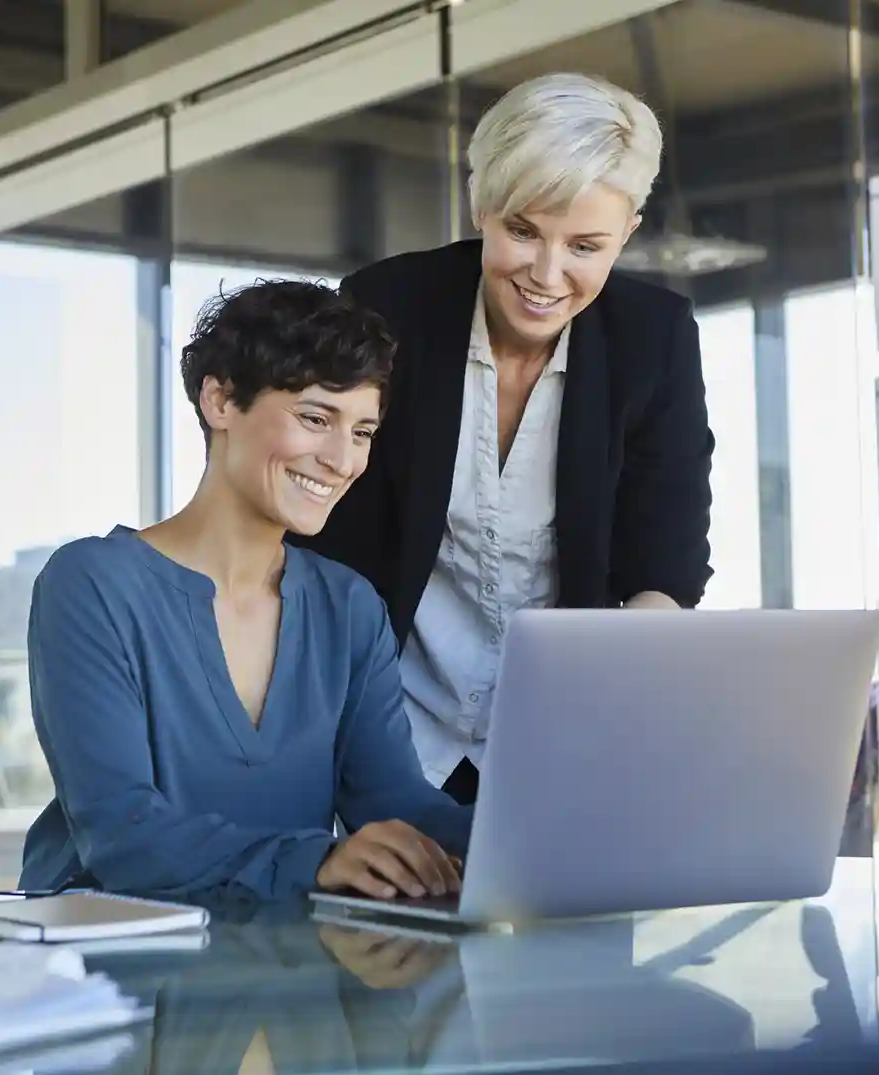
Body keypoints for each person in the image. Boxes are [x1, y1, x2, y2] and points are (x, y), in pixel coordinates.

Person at [294, 72, 715, 803]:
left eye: (585, 245)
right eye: (522, 231)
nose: (546, 276)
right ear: (481, 205)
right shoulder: (386, 308)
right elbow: (326, 543)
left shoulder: (654, 338)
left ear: (628, 233)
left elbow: (668, 561)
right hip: (388, 726)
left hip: (561, 739)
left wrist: (618, 681)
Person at [18, 279, 470, 904]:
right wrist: (321, 860)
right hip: (113, 973)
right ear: (221, 401)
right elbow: (122, 833)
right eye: (316, 418)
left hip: (284, 976)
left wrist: (527, 842)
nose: (342, 460)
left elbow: (393, 802)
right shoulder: (92, 586)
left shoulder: (348, 607)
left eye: (362, 432)